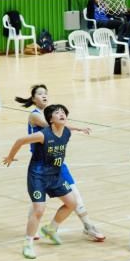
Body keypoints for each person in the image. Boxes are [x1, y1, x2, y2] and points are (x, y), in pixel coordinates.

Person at [15, 85, 105, 242]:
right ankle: (37, 231)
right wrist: (78, 128)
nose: (44, 96)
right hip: (41, 163)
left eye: (46, 93)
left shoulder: (52, 114)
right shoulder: (36, 115)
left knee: (72, 195)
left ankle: (86, 226)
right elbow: (55, 127)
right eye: (40, 94)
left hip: (55, 162)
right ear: (33, 98)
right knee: (40, 201)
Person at [2, 104, 91, 259]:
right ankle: (28, 243)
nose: (61, 114)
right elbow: (20, 140)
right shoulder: (43, 135)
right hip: (38, 176)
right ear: (50, 119)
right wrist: (10, 157)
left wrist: (80, 129)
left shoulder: (66, 133)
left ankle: (51, 229)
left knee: (72, 203)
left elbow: (67, 128)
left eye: (63, 112)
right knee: (39, 210)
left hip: (55, 175)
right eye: (57, 113)